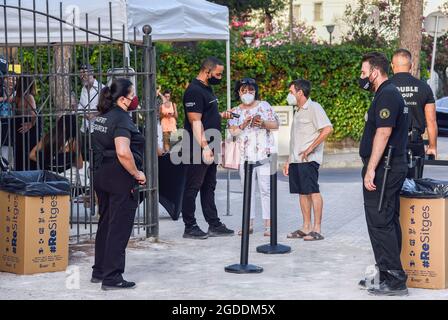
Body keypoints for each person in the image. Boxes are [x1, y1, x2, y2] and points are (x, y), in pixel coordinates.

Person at [357, 52, 409, 296]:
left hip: (385, 167)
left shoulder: (387, 94)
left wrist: (371, 169)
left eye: (363, 72)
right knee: (385, 220)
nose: (362, 77)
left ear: (375, 72)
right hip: (387, 165)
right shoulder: (385, 93)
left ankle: (395, 279)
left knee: (380, 221)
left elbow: (384, 133)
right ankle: (386, 272)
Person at [90, 78, 146, 290]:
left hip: (101, 173)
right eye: (132, 96)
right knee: (119, 226)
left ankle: (100, 270)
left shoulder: (102, 117)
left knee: (105, 221)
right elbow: (123, 151)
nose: (135, 100)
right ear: (122, 99)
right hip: (119, 175)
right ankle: (112, 277)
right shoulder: (122, 119)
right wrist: (137, 173)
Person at [181, 56, 234, 239]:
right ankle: (190, 226)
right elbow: (195, 121)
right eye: (217, 74)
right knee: (193, 186)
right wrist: (204, 147)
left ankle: (214, 224)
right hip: (197, 146)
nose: (219, 77)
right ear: (207, 71)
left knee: (209, 185)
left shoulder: (206, 88)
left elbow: (205, 114)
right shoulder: (194, 91)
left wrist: (220, 115)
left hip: (211, 144)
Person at [282, 79, 333, 241]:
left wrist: (311, 148)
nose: (289, 95)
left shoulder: (314, 107)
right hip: (297, 160)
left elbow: (327, 129)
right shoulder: (298, 111)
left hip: (309, 160)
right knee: (302, 193)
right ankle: (306, 227)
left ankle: (317, 229)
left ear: (300, 92)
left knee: (312, 191)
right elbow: (295, 140)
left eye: (291, 92)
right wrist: (289, 160)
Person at [227, 78, 279, 236]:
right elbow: (232, 132)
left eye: (251, 90)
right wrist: (243, 124)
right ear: (239, 92)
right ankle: (247, 224)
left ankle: (269, 226)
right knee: (247, 190)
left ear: (255, 91)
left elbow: (276, 125)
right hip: (245, 156)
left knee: (266, 190)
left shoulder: (264, 105)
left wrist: (262, 123)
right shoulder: (235, 110)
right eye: (244, 90)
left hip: (264, 155)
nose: (248, 93)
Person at [390, 48, 438, 179]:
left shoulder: (385, 87)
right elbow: (431, 121)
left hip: (391, 142)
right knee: (414, 185)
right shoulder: (424, 87)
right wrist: (432, 146)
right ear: (411, 66)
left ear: (392, 66)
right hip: (415, 142)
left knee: (392, 185)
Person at [77, 64, 103, 163]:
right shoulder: (83, 89)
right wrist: (81, 112)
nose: (82, 77)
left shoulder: (102, 88)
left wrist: (94, 114)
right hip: (84, 129)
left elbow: (106, 108)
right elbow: (80, 107)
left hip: (97, 128)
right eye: (81, 75)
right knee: (85, 157)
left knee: (97, 157)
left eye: (84, 74)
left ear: (92, 73)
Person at [14, 76, 41, 171]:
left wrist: (30, 124)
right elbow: (34, 114)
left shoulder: (18, 97)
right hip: (27, 132)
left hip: (20, 130)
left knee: (21, 156)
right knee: (28, 155)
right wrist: (31, 124)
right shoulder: (28, 97)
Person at [158, 88, 178, 152]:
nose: (167, 98)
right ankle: (167, 157)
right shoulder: (161, 106)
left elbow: (176, 116)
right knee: (166, 143)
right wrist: (165, 115)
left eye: (168, 96)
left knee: (174, 143)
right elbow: (160, 116)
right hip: (165, 126)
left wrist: (172, 114)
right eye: (165, 96)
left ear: (170, 97)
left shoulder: (173, 104)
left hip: (172, 126)